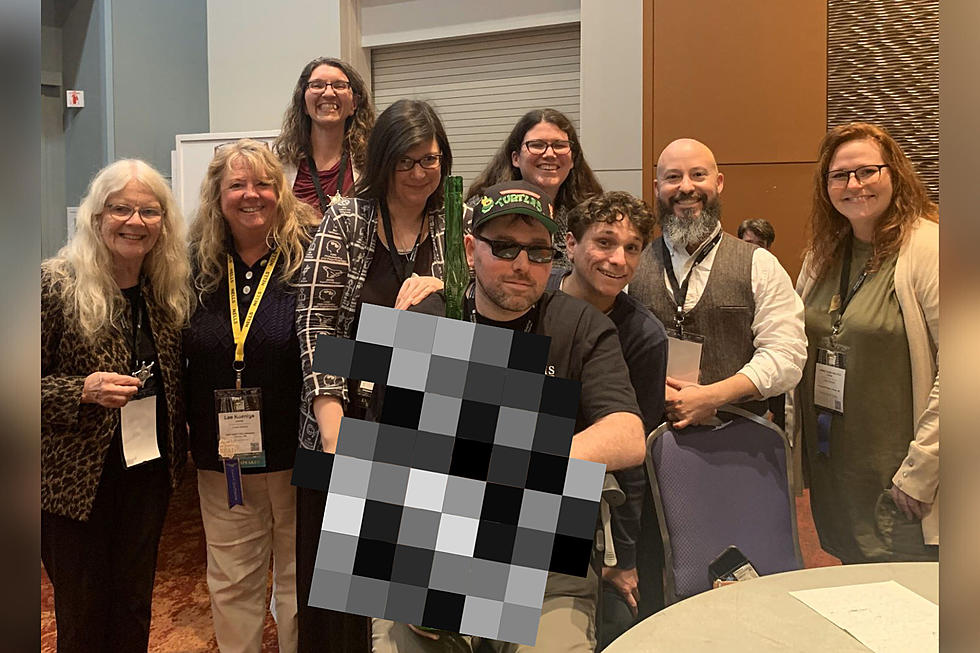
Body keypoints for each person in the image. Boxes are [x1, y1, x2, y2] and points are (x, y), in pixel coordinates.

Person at [372, 180, 646, 652]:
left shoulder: (580, 326)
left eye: (538, 252)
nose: (523, 265)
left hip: (545, 567)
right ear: (470, 247)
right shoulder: (427, 320)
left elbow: (628, 435)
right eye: (505, 247)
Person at [294, 99, 457, 652]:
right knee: (344, 597)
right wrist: (330, 414)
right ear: (383, 160)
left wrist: (444, 290)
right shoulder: (347, 217)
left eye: (429, 160)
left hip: (427, 425)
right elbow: (315, 323)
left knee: (417, 589)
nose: (418, 173)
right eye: (405, 161)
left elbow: (485, 308)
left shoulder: (455, 224)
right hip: (347, 415)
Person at [41, 159, 193, 652]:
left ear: (163, 223)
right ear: (96, 216)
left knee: (133, 603)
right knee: (84, 610)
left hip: (146, 475)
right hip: (75, 484)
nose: (135, 222)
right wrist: (81, 391)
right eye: (121, 209)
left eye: (149, 211)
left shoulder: (166, 291)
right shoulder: (54, 285)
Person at [185, 139, 320, 652]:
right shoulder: (194, 267)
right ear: (218, 196)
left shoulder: (307, 260)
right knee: (232, 579)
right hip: (224, 461)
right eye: (237, 184)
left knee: (294, 578)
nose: (251, 195)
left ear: (280, 192)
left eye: (263, 183)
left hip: (295, 451)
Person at [794, 122, 939, 563]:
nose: (853, 185)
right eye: (839, 175)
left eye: (866, 171)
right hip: (836, 472)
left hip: (903, 481)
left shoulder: (931, 247)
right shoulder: (823, 254)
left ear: (894, 173)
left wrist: (921, 472)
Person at [547, 191, 668, 646]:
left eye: (632, 247)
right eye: (604, 243)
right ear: (571, 244)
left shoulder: (644, 337)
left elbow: (633, 455)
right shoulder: (531, 292)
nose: (618, 260)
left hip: (586, 497)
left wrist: (626, 555)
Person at [629, 138, 806, 427]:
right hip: (650, 441)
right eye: (673, 177)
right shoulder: (632, 264)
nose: (686, 187)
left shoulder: (760, 264)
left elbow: (786, 355)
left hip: (739, 445)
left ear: (719, 182)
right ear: (657, 188)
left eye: (698, 175)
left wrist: (714, 396)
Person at [466, 108, 603, 268]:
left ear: (573, 160)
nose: (550, 154)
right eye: (537, 145)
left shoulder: (590, 214)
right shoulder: (481, 207)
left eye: (559, 145)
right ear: (516, 158)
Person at [274, 57, 375, 214]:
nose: (328, 93)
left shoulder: (373, 164)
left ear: (354, 103)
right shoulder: (279, 167)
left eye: (339, 86)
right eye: (317, 85)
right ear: (304, 105)